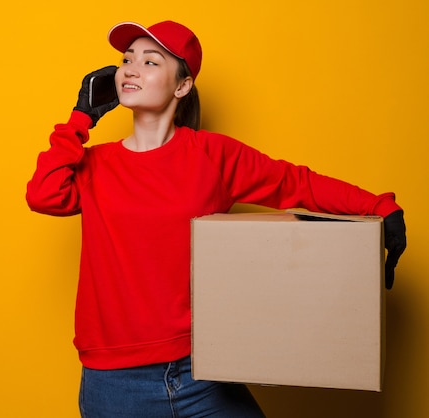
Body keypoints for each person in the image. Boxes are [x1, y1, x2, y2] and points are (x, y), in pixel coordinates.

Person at [26, 20, 407, 418]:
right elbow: (43, 194)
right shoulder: (96, 165)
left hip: (204, 371)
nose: (131, 69)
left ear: (182, 86)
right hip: (116, 383)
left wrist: (382, 207)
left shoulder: (212, 155)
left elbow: (295, 183)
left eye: (150, 61)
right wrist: (79, 119)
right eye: (126, 60)